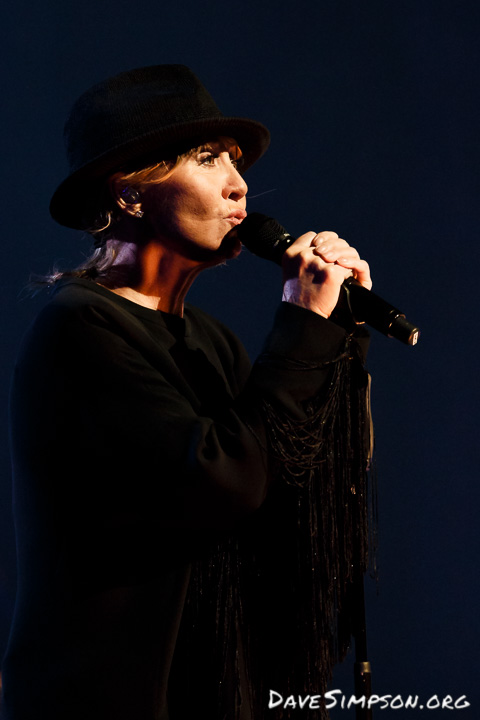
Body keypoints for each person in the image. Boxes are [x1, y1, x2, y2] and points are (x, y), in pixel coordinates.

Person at [2, 65, 373, 720]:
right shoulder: (82, 327)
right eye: (208, 160)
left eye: (235, 163)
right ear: (131, 194)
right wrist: (299, 326)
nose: (239, 186)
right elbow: (222, 481)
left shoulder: (210, 340)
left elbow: (289, 477)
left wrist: (338, 338)